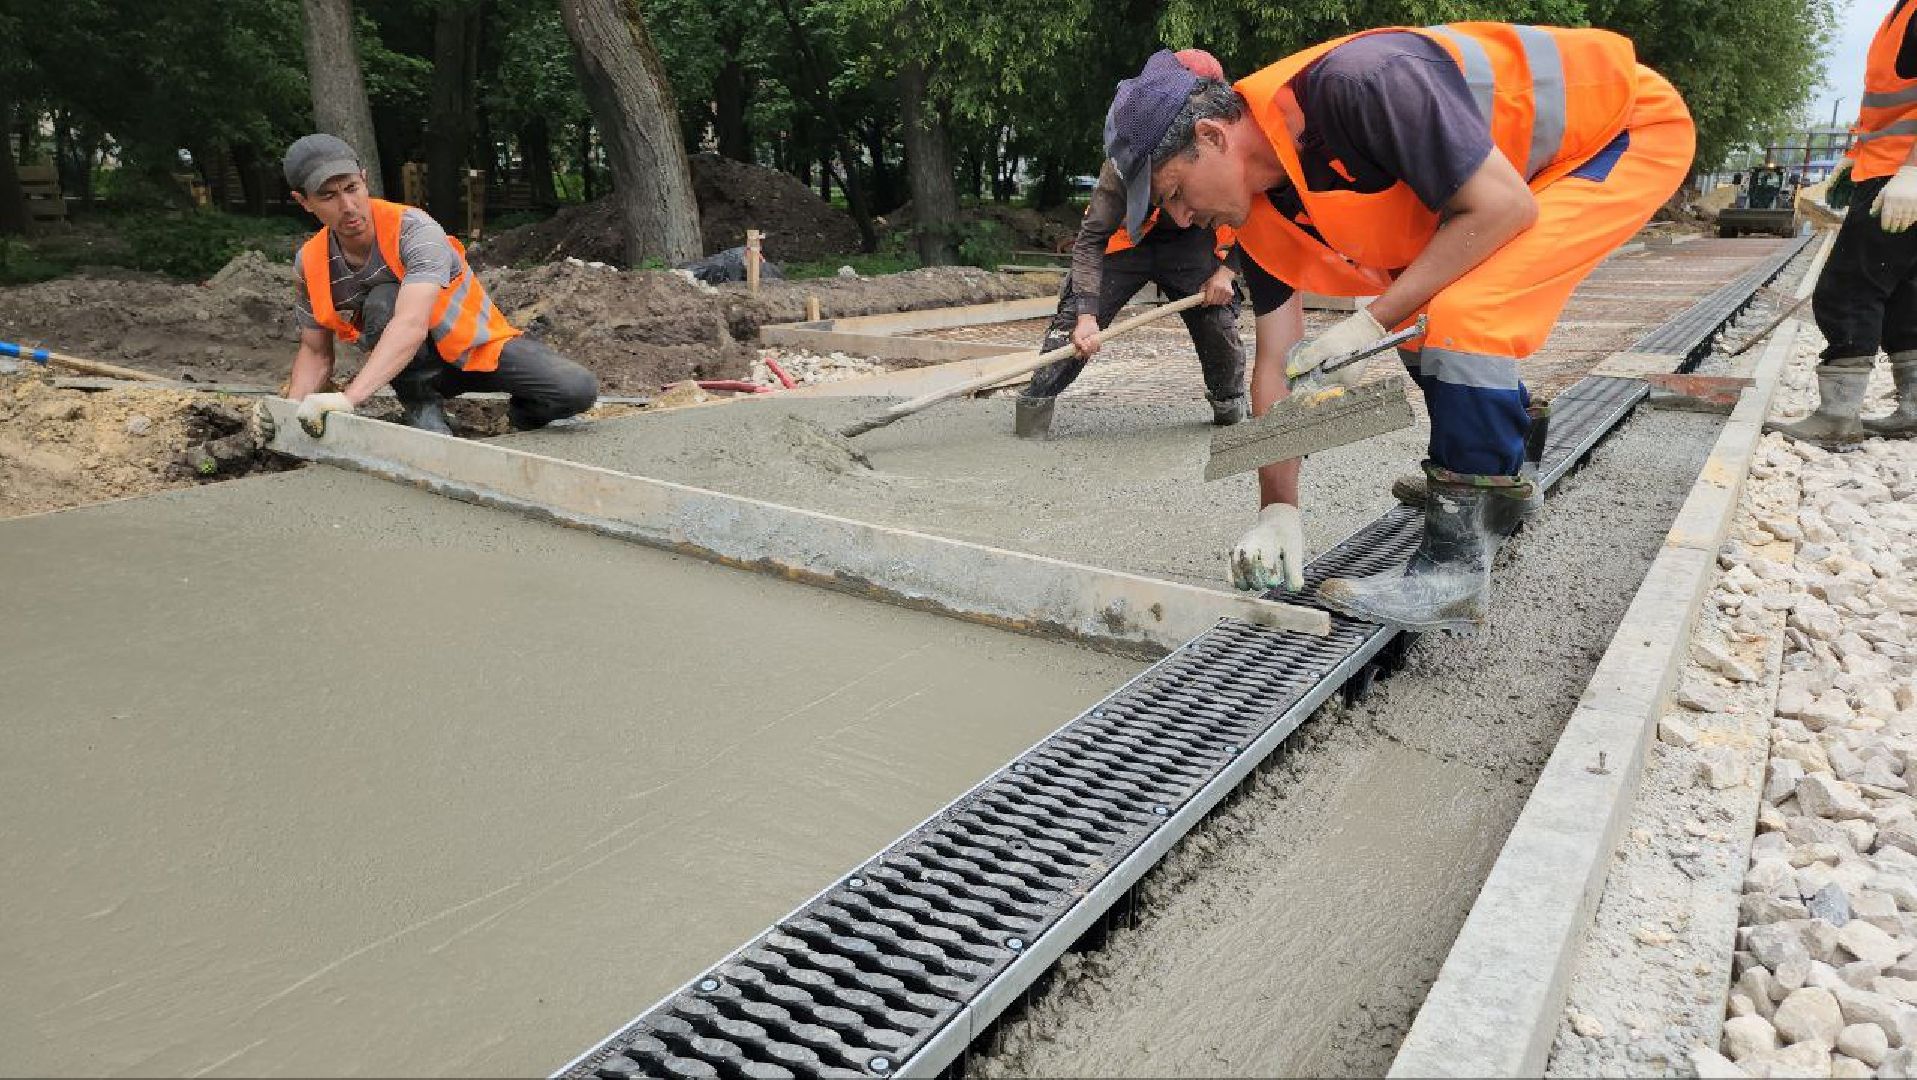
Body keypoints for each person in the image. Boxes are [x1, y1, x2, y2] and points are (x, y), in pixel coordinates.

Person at [1102, 24, 1694, 631]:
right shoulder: (1257, 212)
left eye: (1174, 192)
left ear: (1212, 135)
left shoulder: (1362, 83)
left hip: (1614, 135)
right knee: (1416, 316)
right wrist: (1278, 510)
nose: (1181, 216)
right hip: (1507, 177)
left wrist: (1370, 325)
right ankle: (1500, 472)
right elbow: (1279, 361)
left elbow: (1502, 207)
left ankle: (1454, 567)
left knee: (1464, 316)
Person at [279, 133, 598, 437]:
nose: (347, 205)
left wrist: (349, 398)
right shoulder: (311, 263)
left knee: (575, 389)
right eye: (328, 196)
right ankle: (421, 408)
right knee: (383, 299)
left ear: (364, 179)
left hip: (476, 349)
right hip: (413, 367)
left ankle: (518, 419)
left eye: (352, 188)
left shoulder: (414, 231)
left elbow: (411, 323)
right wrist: (287, 415)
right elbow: (315, 351)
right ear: (304, 202)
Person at [1015, 51, 1247, 438]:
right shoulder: (1127, 155)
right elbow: (1090, 239)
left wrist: (1227, 271)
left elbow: (1255, 217)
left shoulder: (1227, 149)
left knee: (1218, 326)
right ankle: (1033, 414)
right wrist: (1087, 314)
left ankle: (1229, 410)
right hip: (1127, 244)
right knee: (1072, 328)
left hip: (1192, 245)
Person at [1770, 0, 1917, 447]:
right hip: (1884, 170)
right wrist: (1849, 165)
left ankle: (1837, 417)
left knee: (1851, 287)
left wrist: (1912, 171)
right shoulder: (1903, 11)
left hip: (1898, 177)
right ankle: (1913, 409)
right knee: (1904, 291)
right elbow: (1885, 110)